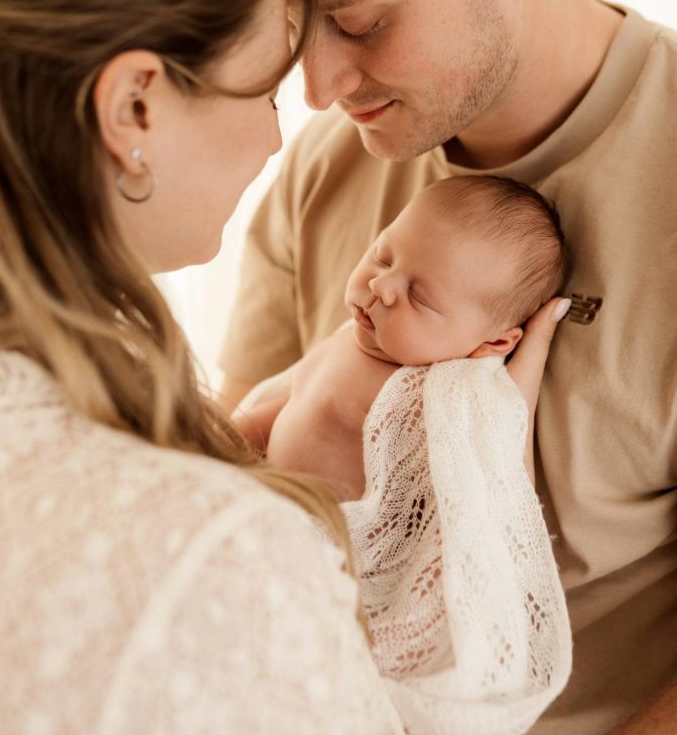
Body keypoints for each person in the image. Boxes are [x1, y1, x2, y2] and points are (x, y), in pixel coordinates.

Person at [0, 0, 565, 735]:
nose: (301, 111)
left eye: (363, 19)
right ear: (134, 109)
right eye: (266, 83)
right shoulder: (213, 553)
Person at [213, 0, 677, 735]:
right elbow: (234, 497)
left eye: (362, 20)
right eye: (297, 28)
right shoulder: (326, 167)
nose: (319, 89)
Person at [235, 174, 567, 499]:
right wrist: (224, 442)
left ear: (493, 344)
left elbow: (450, 508)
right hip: (261, 501)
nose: (380, 285)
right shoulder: (349, 338)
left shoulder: (427, 401)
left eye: (419, 297)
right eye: (382, 257)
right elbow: (296, 406)